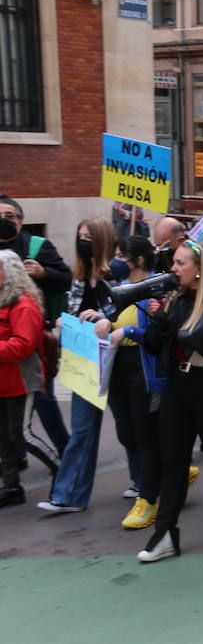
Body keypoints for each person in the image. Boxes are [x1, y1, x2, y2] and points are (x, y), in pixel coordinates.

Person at [134, 240, 203, 562]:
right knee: (174, 464)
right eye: (174, 263)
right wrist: (158, 316)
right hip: (176, 387)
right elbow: (156, 347)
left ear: (199, 270)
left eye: (180, 263)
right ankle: (165, 535)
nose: (173, 268)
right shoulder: (176, 301)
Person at [105, 236, 197, 530]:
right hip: (118, 367)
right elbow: (113, 316)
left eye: (121, 254)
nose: (115, 260)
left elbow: (160, 335)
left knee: (146, 436)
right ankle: (171, 475)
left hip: (144, 369)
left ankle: (148, 498)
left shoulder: (158, 290)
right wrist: (102, 319)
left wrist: (130, 331)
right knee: (127, 434)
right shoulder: (121, 289)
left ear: (139, 260)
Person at [37, 218, 120, 515]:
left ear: (102, 240)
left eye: (88, 237)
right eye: (79, 236)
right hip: (86, 360)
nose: (82, 241)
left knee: (131, 432)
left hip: (119, 361)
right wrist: (67, 322)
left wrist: (100, 317)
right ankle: (68, 495)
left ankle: (146, 487)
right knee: (82, 430)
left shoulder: (118, 273)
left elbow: (121, 312)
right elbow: (73, 311)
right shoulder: (78, 275)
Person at [0, 195, 73, 454]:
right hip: (2, 344)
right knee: (6, 408)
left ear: (20, 221)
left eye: (10, 216)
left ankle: (64, 453)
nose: (4, 221)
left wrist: (44, 273)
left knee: (42, 399)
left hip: (32, 341)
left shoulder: (38, 246)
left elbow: (66, 280)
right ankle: (14, 459)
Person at [0, 250, 44, 507]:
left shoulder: (24, 304)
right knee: (3, 436)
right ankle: (11, 486)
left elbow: (24, 346)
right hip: (4, 379)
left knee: (21, 435)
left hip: (20, 379)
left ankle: (63, 469)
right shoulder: (5, 299)